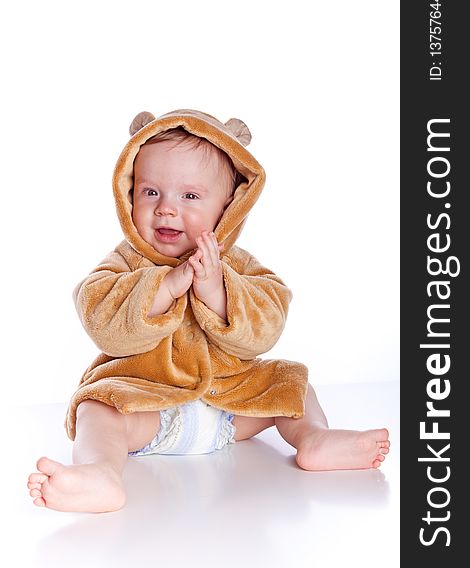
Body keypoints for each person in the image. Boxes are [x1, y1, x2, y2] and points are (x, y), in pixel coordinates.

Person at [27, 109, 390, 513]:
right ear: (128, 193)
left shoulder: (236, 264)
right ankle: (100, 473)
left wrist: (218, 292)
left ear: (228, 208)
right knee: (97, 407)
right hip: (147, 408)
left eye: (189, 196)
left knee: (292, 384)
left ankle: (315, 438)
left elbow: (268, 322)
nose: (166, 208)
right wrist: (164, 286)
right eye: (150, 192)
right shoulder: (123, 263)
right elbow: (100, 317)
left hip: (232, 408)